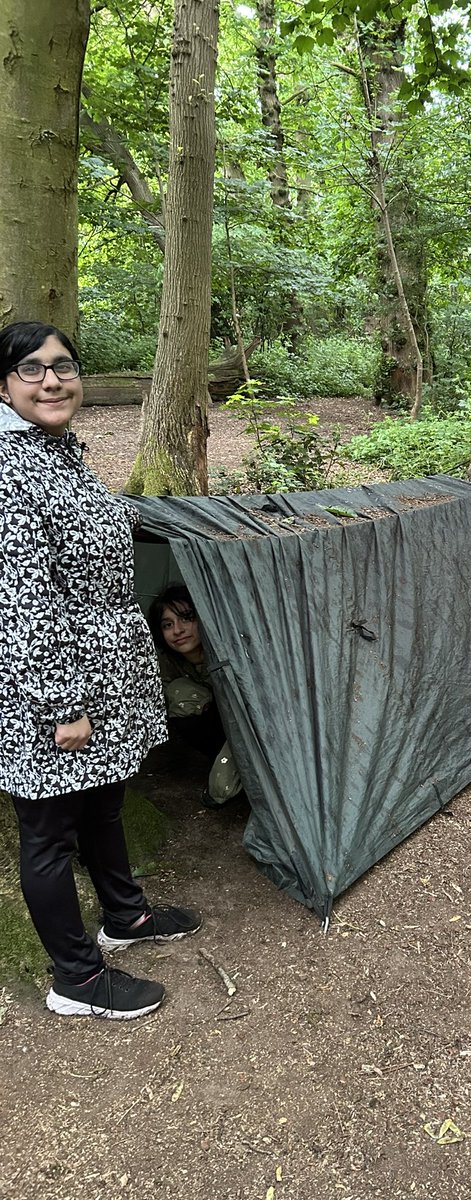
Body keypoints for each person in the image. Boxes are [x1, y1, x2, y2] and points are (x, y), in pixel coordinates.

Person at [0, 320, 201, 1020]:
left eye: (62, 365)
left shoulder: (59, 451)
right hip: (47, 684)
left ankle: (125, 918)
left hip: (105, 670)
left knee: (105, 800)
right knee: (50, 830)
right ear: (4, 385)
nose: (51, 379)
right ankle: (77, 981)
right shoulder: (8, 467)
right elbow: (23, 601)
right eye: (30, 368)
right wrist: (62, 705)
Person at [148, 585, 243, 808]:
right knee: (178, 693)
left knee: (220, 790)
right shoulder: (166, 663)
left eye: (186, 619)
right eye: (168, 625)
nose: (178, 630)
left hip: (245, 730)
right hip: (216, 729)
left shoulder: (227, 654)